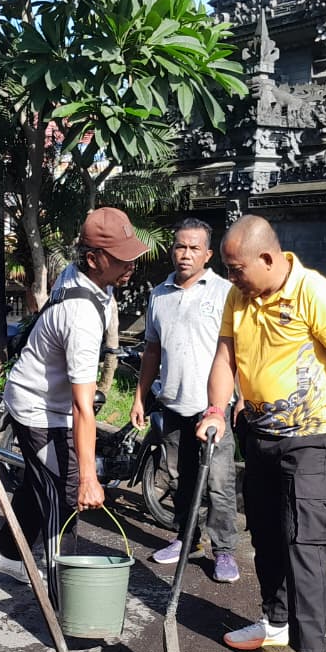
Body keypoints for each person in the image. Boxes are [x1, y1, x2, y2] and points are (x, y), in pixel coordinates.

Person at [198, 215, 326, 652]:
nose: (230, 277)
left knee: (305, 543)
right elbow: (225, 358)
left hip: (311, 440)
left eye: (236, 269)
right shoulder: (239, 297)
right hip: (259, 436)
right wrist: (215, 409)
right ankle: (275, 622)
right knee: (267, 533)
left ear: (267, 258)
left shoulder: (317, 294)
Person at [0, 206, 148, 588]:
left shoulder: (83, 277)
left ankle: (7, 554)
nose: (131, 264)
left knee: (41, 478)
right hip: (39, 408)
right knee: (66, 493)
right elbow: (82, 406)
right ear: (93, 259)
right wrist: (88, 478)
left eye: (131, 255)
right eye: (120, 258)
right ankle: (65, 596)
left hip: (37, 393)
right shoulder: (81, 316)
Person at [130, 218, 241, 583]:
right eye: (180, 246)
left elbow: (238, 351)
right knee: (181, 478)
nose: (186, 254)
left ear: (208, 255)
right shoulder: (159, 294)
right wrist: (140, 396)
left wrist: (241, 398)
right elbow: (152, 350)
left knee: (219, 483)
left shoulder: (225, 292)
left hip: (214, 407)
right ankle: (187, 539)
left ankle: (223, 550)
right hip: (173, 403)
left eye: (195, 248)